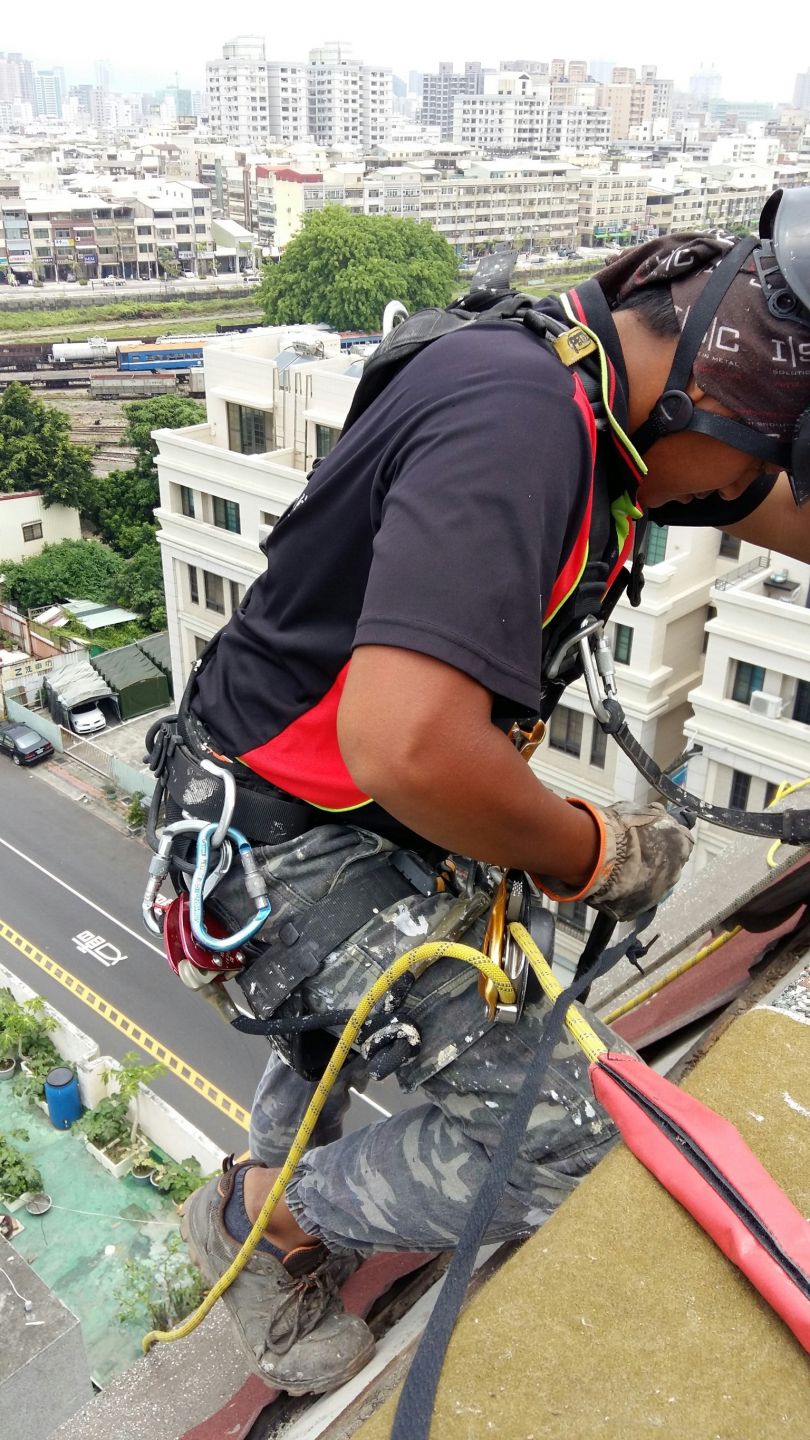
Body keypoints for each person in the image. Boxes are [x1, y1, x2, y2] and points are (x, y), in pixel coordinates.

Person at [175, 193, 810, 1396]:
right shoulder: (518, 421)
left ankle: (270, 1183)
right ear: (724, 387)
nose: (742, 494)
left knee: (361, 1009)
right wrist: (588, 850)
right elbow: (408, 747)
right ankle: (273, 1222)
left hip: (319, 807)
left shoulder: (600, 386)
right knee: (583, 1138)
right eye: (764, 455)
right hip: (283, 843)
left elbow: (773, 504)